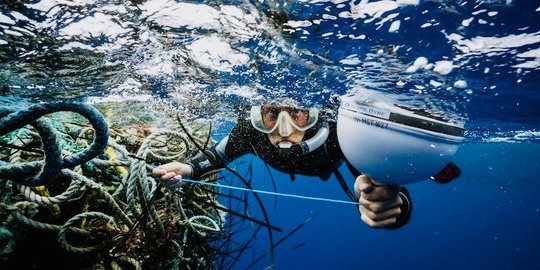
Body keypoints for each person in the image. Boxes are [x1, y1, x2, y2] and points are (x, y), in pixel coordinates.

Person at [153, 100, 412, 229]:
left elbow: (383, 186)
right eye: (273, 114)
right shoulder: (249, 132)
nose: (284, 129)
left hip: (325, 167)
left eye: (297, 112)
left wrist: (390, 202)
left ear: (314, 113)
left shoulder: (339, 133)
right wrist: (187, 169)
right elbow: (215, 156)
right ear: (259, 114)